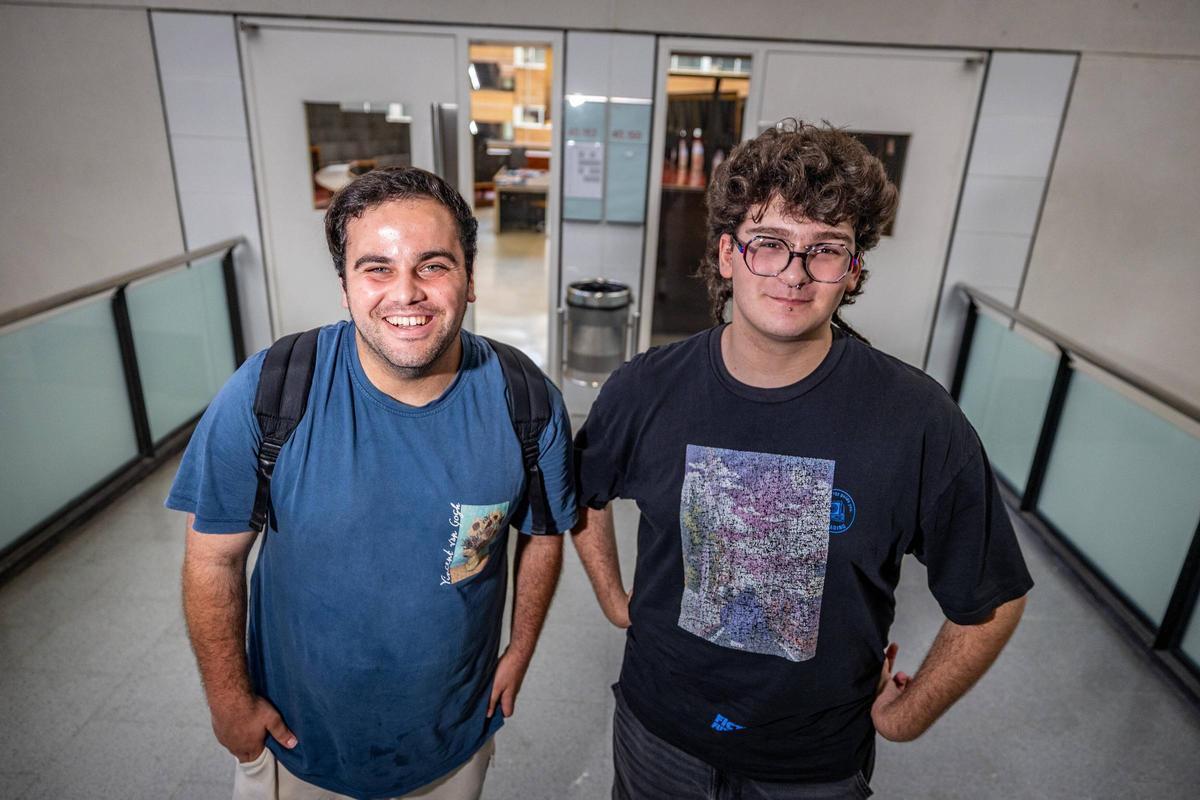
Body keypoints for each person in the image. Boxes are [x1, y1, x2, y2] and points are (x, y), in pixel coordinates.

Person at [572, 121, 1032, 799]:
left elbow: (992, 601)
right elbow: (585, 492)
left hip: (812, 762)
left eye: (825, 250)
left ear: (852, 271)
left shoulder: (917, 421)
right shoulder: (646, 388)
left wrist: (907, 719)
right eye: (770, 244)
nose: (794, 272)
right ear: (727, 255)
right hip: (658, 730)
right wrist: (615, 599)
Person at [169, 167, 576, 800]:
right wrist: (229, 702)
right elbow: (212, 558)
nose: (406, 293)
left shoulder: (526, 403)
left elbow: (543, 534)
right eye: (377, 268)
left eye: (433, 265)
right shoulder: (272, 391)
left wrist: (520, 650)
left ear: (469, 280)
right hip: (300, 743)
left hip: (452, 738)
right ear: (345, 287)